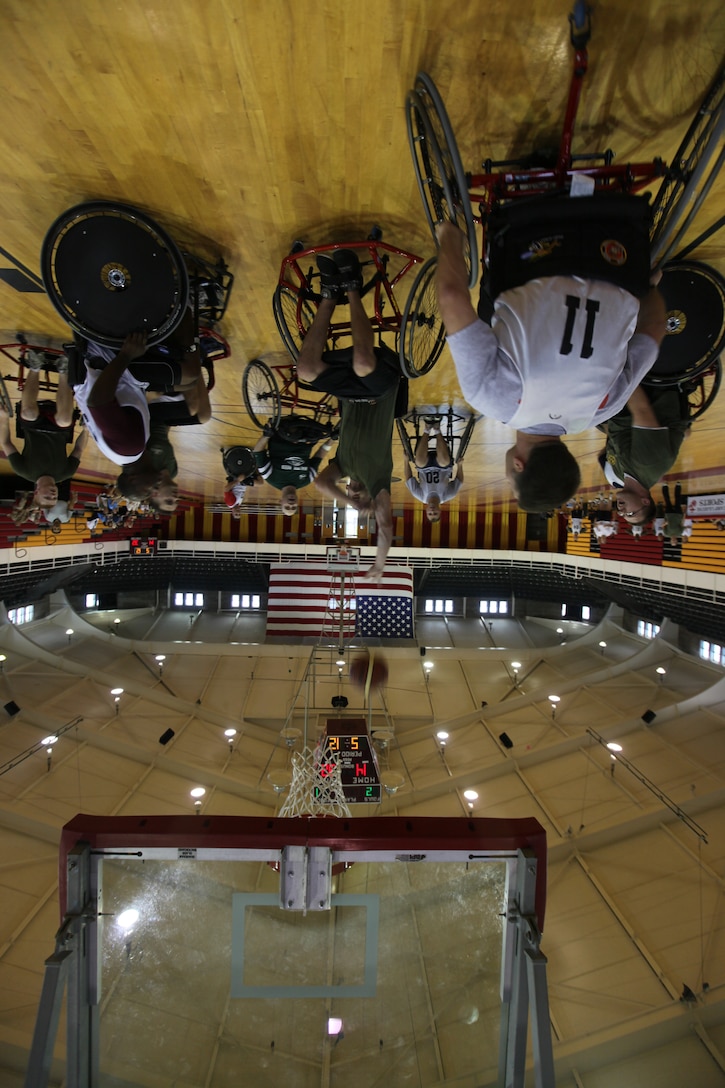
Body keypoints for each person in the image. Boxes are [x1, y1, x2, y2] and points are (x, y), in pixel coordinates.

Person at [435, 206, 667, 511]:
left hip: (616, 252)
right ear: (519, 465)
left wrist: (648, 286)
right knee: (489, 317)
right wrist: (451, 238)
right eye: (512, 485)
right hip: (530, 246)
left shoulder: (602, 411)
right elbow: (451, 295)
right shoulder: (491, 399)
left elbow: (654, 328)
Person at [295, 248, 403, 582]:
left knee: (306, 370)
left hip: (349, 391)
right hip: (382, 386)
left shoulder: (342, 467)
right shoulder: (380, 477)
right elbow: (384, 525)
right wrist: (379, 566)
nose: (356, 495)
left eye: (353, 496)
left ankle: (329, 293)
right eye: (361, 498)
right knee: (361, 361)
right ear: (374, 496)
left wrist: (350, 503)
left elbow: (320, 482)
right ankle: (353, 284)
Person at [72, 308, 211, 467]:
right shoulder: (123, 455)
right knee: (189, 383)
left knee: (190, 373)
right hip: (112, 376)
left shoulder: (129, 448)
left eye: (148, 491)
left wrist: (127, 355)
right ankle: (176, 319)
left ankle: (184, 306)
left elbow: (97, 402)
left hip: (104, 362)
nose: (154, 489)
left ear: (132, 479)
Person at [0, 351, 88, 517]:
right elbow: (79, 449)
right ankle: (63, 370)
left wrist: (3, 419)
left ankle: (35, 366)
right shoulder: (66, 473)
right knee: (64, 419)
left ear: (37, 492)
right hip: (59, 430)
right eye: (54, 498)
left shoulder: (23, 470)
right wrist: (86, 430)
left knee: (28, 413)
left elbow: (6, 443)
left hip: (33, 427)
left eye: (47, 496)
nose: (53, 495)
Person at [600, 386, 692, 528]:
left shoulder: (620, 475)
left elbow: (614, 438)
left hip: (619, 414)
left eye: (622, 516)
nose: (621, 512)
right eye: (630, 514)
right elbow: (641, 408)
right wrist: (619, 375)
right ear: (645, 502)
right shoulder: (647, 464)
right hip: (653, 393)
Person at [253, 416, 336, 516]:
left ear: (281, 502)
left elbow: (257, 452)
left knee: (292, 431)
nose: (291, 504)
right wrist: (332, 440)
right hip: (306, 439)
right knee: (326, 430)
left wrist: (266, 436)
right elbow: (319, 456)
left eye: (287, 506)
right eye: (294, 507)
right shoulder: (307, 480)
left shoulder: (270, 478)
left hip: (282, 437)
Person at [403, 415, 463, 522]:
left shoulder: (420, 496)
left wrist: (406, 461)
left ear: (426, 511)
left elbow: (408, 478)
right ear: (440, 511)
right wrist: (460, 465)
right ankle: (436, 429)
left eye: (430, 513)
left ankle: (426, 428)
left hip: (424, 466)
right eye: (435, 513)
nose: (432, 510)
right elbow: (459, 480)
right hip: (443, 466)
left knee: (419, 462)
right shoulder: (448, 495)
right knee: (444, 461)